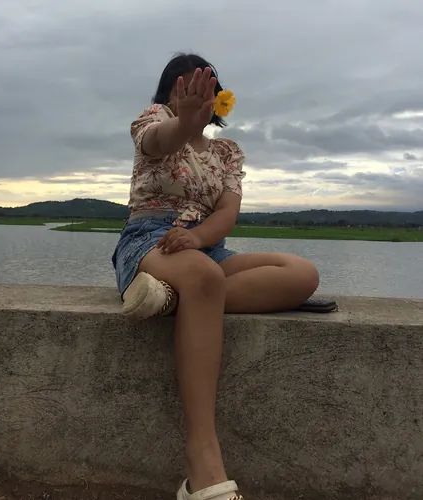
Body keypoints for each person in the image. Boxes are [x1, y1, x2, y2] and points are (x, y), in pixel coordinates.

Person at [112, 53, 320, 500]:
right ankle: (202, 464)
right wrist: (184, 121)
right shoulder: (154, 120)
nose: (197, 97)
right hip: (151, 239)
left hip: (206, 247)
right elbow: (160, 141)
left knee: (302, 274)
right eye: (186, 88)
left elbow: (227, 211)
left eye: (207, 90)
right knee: (204, 278)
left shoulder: (227, 151)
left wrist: (199, 237)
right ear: (170, 93)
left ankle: (174, 299)